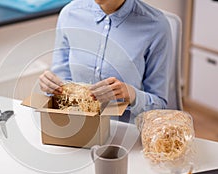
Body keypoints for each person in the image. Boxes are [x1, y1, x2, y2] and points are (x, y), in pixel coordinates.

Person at [39, 0, 173, 123]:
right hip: (78, 127)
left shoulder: (156, 26)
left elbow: (159, 105)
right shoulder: (70, 14)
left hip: (126, 134)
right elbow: (62, 82)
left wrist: (131, 94)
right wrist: (52, 86)